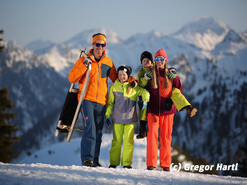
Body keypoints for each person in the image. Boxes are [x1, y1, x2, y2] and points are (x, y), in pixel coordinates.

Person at [68, 33, 118, 167]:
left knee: (98, 132)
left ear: (105, 46)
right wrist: (84, 65)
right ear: (93, 45)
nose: (99, 47)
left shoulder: (108, 62)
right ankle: (87, 159)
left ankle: (94, 160)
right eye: (97, 44)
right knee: (89, 128)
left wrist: (131, 81)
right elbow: (72, 78)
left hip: (102, 102)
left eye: (102, 45)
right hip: (86, 99)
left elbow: (117, 80)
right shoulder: (85, 60)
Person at [145, 48, 197, 171]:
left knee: (166, 138)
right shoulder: (150, 74)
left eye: (161, 59)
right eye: (157, 59)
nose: (159, 61)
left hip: (167, 112)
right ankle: (151, 164)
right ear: (154, 60)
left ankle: (165, 164)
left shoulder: (171, 75)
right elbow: (144, 88)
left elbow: (178, 90)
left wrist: (170, 101)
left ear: (165, 60)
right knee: (152, 138)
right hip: (153, 111)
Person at [136, 51, 197, 139]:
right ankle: (142, 130)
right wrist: (145, 78)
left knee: (175, 92)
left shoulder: (155, 68)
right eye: (143, 61)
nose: (146, 63)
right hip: (149, 99)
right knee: (143, 108)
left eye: (148, 60)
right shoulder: (142, 72)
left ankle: (188, 107)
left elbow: (164, 69)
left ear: (152, 61)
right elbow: (141, 86)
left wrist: (173, 70)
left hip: (164, 102)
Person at [105, 65, 150, 169]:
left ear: (128, 75)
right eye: (119, 74)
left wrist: (145, 101)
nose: (121, 76)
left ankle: (127, 164)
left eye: (124, 74)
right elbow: (110, 103)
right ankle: (113, 163)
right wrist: (107, 115)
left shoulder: (134, 87)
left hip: (130, 120)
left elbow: (145, 93)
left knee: (128, 142)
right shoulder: (113, 87)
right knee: (116, 142)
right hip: (118, 119)